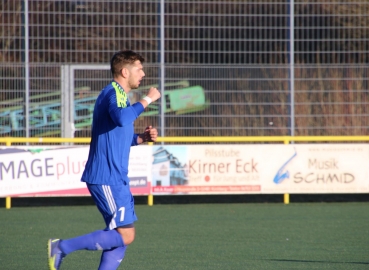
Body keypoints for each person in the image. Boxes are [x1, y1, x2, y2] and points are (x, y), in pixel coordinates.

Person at [47, 50, 161, 270]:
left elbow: (120, 136)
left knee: (122, 236)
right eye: (139, 68)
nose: (143, 74)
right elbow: (121, 118)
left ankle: (62, 248)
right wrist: (148, 99)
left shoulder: (121, 96)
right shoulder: (113, 93)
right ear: (124, 71)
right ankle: (61, 247)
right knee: (125, 235)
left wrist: (141, 138)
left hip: (117, 177)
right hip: (106, 176)